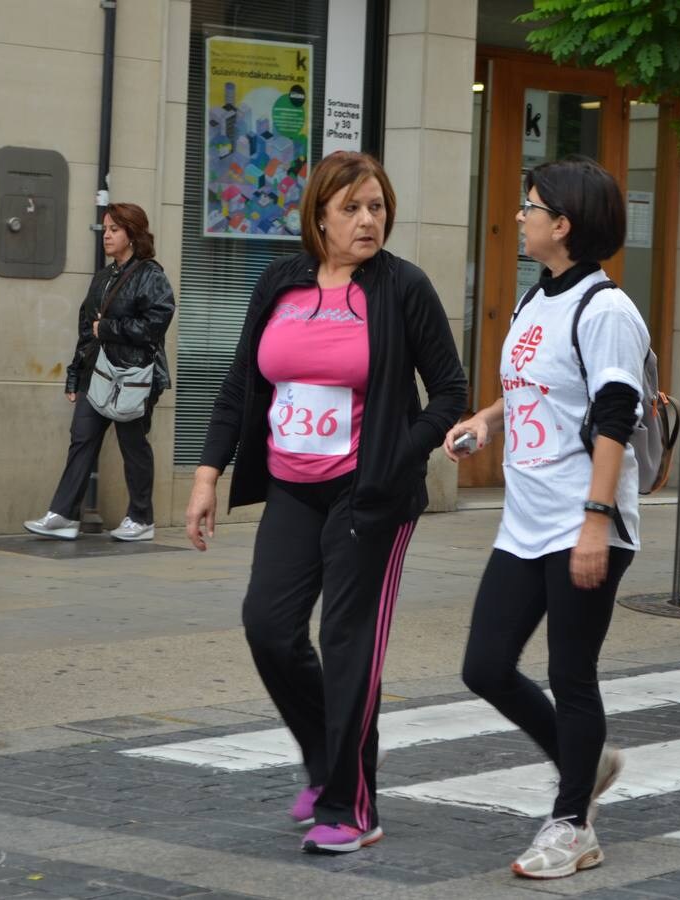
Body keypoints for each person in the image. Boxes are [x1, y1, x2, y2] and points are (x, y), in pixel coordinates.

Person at [184, 152, 466, 854]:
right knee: (269, 627)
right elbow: (239, 384)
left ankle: (351, 805)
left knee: (347, 647)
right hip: (292, 488)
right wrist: (206, 475)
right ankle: (323, 757)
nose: (369, 220)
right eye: (352, 208)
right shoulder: (279, 281)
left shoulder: (402, 287)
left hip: (368, 496)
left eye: (377, 207)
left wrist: (403, 450)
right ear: (318, 216)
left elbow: (451, 393)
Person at [445, 157, 650, 880]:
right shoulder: (540, 299)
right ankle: (583, 762)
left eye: (530, 206)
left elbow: (614, 416)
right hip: (525, 518)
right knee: (486, 666)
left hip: (581, 519)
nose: (521, 216)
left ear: (563, 225)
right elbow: (540, 388)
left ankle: (573, 825)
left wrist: (596, 519)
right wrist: (489, 421)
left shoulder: (608, 311)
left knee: (573, 675)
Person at [25, 202, 174, 542]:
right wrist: (75, 375)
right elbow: (85, 329)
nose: (106, 235)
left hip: (133, 377)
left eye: (114, 230)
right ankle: (62, 515)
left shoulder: (152, 277)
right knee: (81, 438)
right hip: (98, 373)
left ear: (132, 235)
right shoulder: (104, 278)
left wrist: (108, 328)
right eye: (105, 229)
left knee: (133, 445)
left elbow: (154, 325)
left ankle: (141, 518)